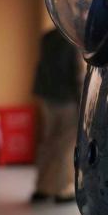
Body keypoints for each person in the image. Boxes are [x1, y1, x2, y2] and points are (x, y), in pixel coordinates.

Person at [30, 28, 82, 204]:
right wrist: (83, 102)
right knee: (65, 146)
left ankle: (42, 188)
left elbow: (41, 68)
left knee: (48, 142)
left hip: (47, 98)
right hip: (67, 99)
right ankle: (63, 189)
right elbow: (77, 73)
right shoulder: (73, 39)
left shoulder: (47, 38)